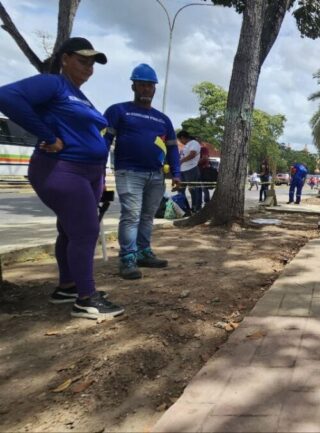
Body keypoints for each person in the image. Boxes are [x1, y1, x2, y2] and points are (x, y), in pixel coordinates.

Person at [0, 37, 123, 319]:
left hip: (89, 173)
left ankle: (68, 286)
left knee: (70, 231)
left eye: (92, 63)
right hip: (63, 169)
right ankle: (87, 300)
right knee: (85, 232)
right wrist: (48, 136)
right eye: (83, 60)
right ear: (65, 59)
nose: (89, 68)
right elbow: (6, 96)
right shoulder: (54, 83)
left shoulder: (79, 95)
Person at [103, 63, 180, 280]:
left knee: (147, 216)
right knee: (131, 215)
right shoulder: (119, 111)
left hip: (156, 175)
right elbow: (104, 140)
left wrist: (176, 173)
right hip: (129, 172)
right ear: (133, 86)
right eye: (142, 85)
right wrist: (97, 167)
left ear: (155, 88)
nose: (146, 89)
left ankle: (144, 251)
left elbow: (172, 148)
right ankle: (128, 257)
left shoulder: (163, 119)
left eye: (150, 85)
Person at [177, 130, 202, 212]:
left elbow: (192, 154)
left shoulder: (194, 143)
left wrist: (181, 161)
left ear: (183, 138)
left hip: (191, 169)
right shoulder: (186, 145)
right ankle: (184, 207)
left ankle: (195, 207)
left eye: (180, 140)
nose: (181, 142)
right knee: (180, 190)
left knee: (193, 190)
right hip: (182, 170)